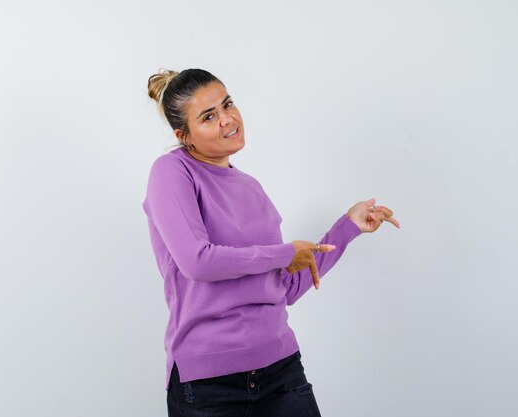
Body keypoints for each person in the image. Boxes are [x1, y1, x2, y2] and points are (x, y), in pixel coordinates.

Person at [142, 68, 400, 417]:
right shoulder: (171, 171)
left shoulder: (251, 188)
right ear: (184, 136)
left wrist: (348, 227)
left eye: (227, 104)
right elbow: (197, 261)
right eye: (208, 116)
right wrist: (283, 253)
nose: (228, 119)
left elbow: (285, 287)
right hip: (208, 385)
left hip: (281, 370)